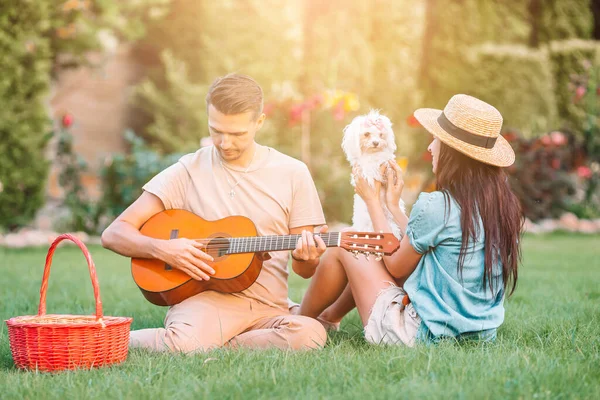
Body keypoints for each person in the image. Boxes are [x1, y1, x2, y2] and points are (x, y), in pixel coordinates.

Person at [101, 73, 328, 353]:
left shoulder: (293, 173)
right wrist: (164, 249)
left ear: (259, 123)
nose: (224, 143)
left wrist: (308, 258)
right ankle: (106, 338)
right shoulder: (187, 170)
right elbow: (114, 233)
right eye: (215, 130)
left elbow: (304, 271)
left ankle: (214, 344)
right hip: (205, 302)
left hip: (268, 307)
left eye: (237, 134)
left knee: (311, 335)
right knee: (184, 346)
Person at [296, 94, 523, 346]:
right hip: (479, 334)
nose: (430, 147)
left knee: (347, 244)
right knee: (364, 246)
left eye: (436, 139)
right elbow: (423, 239)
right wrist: (393, 206)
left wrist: (373, 202)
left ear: (452, 153)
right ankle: (328, 317)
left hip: (419, 334)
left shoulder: (438, 205)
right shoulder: (500, 207)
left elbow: (395, 265)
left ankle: (297, 320)